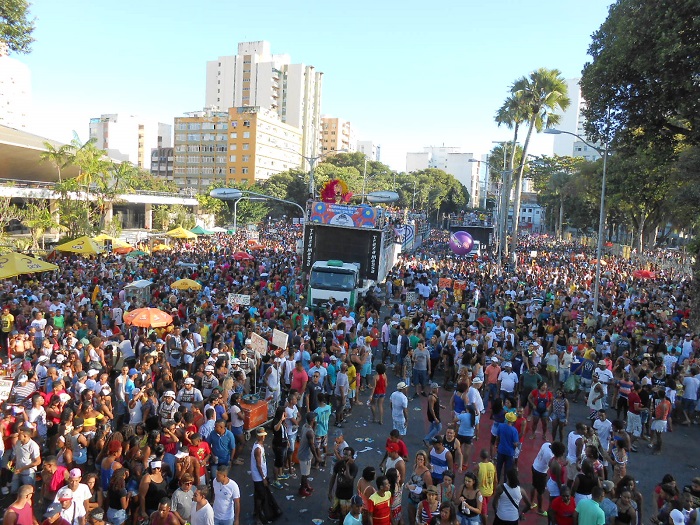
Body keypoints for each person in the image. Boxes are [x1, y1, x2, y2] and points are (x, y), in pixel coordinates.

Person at [250, 428, 281, 525]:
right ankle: (258, 516)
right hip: (259, 477)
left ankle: (256, 512)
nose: (264, 437)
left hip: (259, 476)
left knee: (258, 495)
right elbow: (259, 465)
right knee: (261, 497)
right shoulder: (258, 449)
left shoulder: (259, 445)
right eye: (262, 435)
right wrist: (263, 478)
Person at [328, 446, 359, 521]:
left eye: (347, 455)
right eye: (344, 454)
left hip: (347, 496)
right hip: (338, 494)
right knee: (338, 512)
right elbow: (333, 477)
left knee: (344, 516)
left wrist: (347, 466)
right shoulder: (339, 463)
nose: (345, 456)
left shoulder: (354, 467)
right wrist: (329, 491)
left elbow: (350, 479)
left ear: (351, 456)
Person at [297, 412, 322, 497]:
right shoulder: (309, 432)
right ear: (312, 420)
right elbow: (312, 446)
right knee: (305, 474)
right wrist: (317, 458)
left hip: (304, 453)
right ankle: (302, 489)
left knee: (307, 472)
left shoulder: (305, 426)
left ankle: (306, 485)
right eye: (314, 418)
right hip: (305, 455)